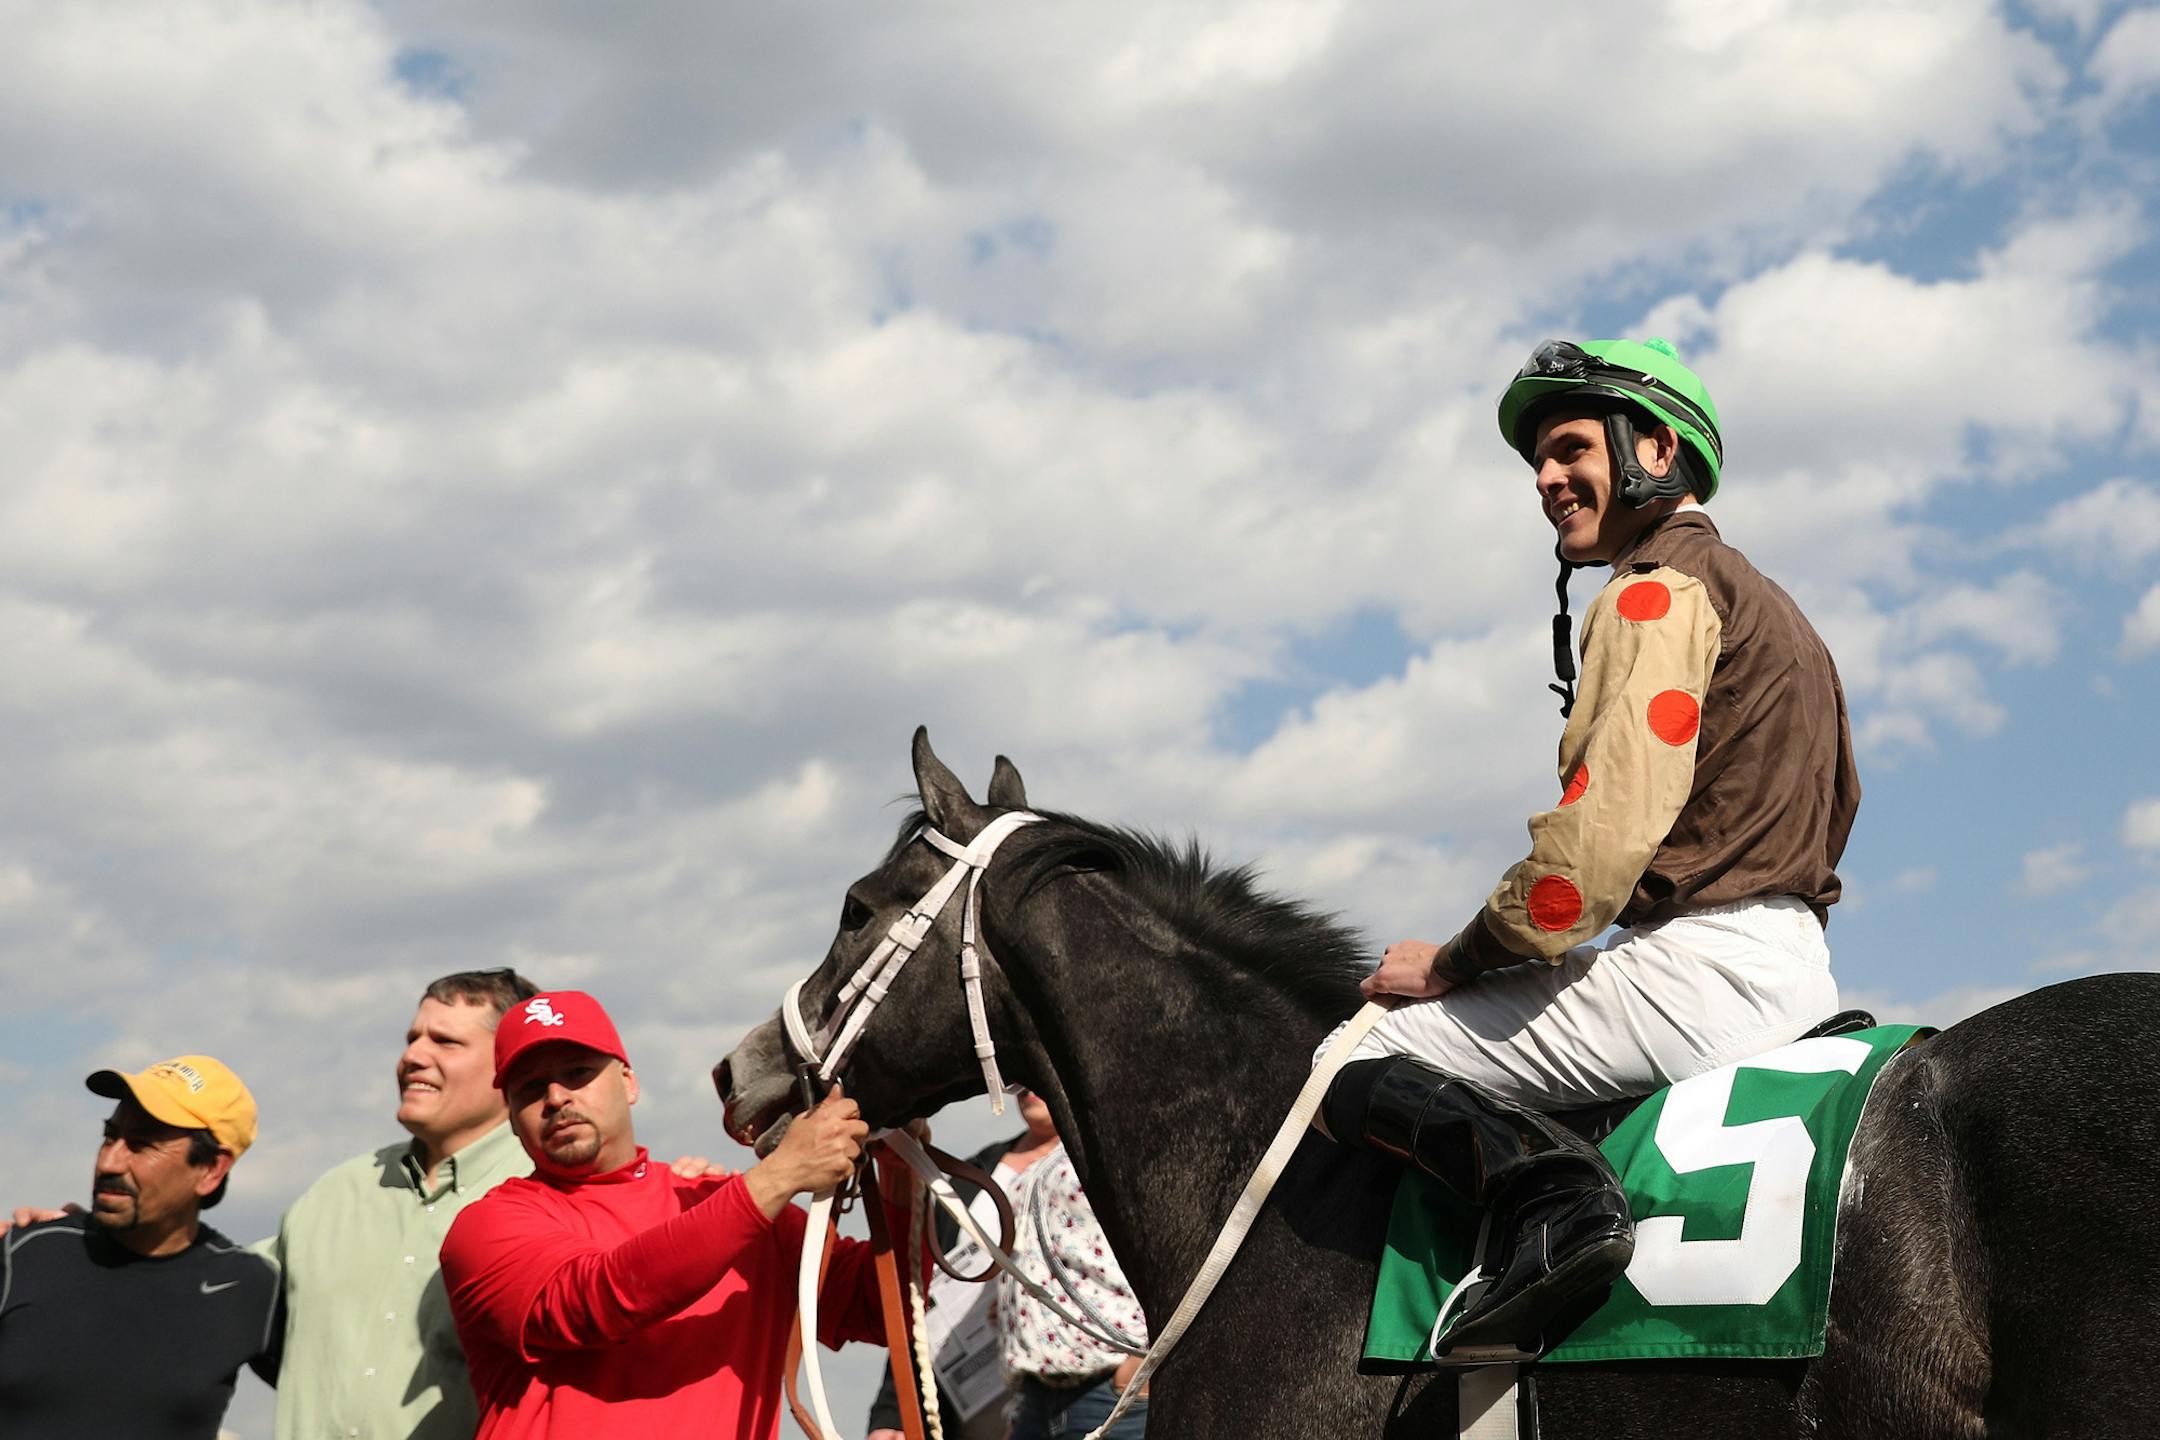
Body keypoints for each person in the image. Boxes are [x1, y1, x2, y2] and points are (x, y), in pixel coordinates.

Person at [1319, 337, 1860, 1360]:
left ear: (1655, 447)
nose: (1545, 480)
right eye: (1538, 462)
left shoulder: (1656, 588)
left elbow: (1584, 869)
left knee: (1351, 1053)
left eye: (1570, 449)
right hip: (1797, 970)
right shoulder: (1788, 618)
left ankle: (1558, 1207)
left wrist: (1452, 959)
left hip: (1693, 980)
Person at [439, 989, 920, 1439]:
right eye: (530, 1088)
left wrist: (901, 1184)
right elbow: (597, 1300)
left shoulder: (723, 1201)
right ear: (512, 1119)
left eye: (578, 1072)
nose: (557, 1097)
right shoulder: (485, 1228)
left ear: (628, 1083)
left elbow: (880, 1312)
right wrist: (780, 1175)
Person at [259, 967, 542, 1440]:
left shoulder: (550, 1190)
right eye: (413, 1038)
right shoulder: (333, 1194)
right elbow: (223, 1298)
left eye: (445, 1042)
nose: (413, 1056)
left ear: (508, 1066)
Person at [0, 1054, 277, 1439]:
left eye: (142, 1144)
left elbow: (347, 1398)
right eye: (109, 1136)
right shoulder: (24, 1253)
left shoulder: (248, 1287)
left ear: (212, 1170)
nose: (110, 1162)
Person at [865, 1086, 1070, 1440]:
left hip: (1069, 1416)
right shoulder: (966, 1180)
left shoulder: (1104, 1176)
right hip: (959, 1421)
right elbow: (923, 1304)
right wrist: (894, 1412)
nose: (1027, 1087)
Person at [999, 1101, 1149, 1440]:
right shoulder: (1033, 1164)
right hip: (1035, 1400)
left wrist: (1140, 1372)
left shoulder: (1125, 1137)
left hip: (1112, 1392)